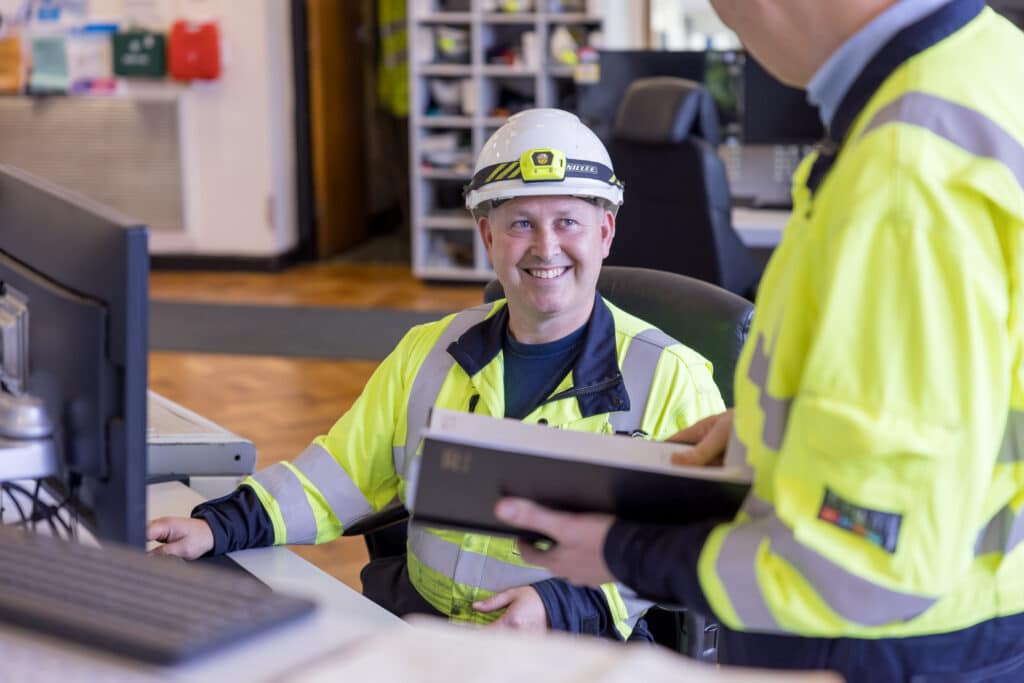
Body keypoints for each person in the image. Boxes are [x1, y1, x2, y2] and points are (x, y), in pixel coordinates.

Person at [493, 0, 1024, 680]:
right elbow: (966, 375)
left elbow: (859, 568)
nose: (725, 18)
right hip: (980, 616)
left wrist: (622, 551)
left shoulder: (902, 169)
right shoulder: (986, 67)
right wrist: (773, 431)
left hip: (887, 645)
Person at [147, 108, 725, 642]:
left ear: (604, 233)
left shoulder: (672, 378)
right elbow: (341, 473)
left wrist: (563, 606)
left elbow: (697, 546)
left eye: (568, 221)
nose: (545, 247)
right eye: (520, 222)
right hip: (426, 636)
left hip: (577, 650)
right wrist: (220, 525)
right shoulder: (430, 351)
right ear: (487, 237)